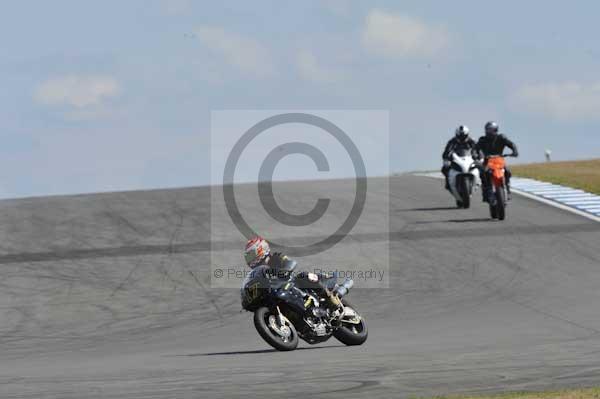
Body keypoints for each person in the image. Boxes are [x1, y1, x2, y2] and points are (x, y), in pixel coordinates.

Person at [242, 236, 341, 314]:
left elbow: (291, 263)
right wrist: (247, 300)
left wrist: (285, 270)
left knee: (304, 275)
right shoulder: (259, 272)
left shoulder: (276, 257)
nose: (250, 260)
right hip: (278, 292)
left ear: (260, 249)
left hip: (292, 283)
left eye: (251, 256)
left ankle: (329, 298)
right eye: (248, 258)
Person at [476, 121, 519, 201]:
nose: (489, 132)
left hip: (499, 160)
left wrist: (514, 151)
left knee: (507, 171)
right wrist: (474, 155)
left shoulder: (501, 138)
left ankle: (508, 189)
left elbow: (511, 144)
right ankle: (486, 191)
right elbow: (475, 148)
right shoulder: (482, 140)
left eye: (491, 130)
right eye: (488, 130)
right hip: (487, 160)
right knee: (483, 173)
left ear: (496, 130)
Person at [441, 125, 481, 190]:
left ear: (467, 135)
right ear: (457, 135)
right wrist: (446, 158)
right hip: (456, 159)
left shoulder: (471, 141)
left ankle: (483, 184)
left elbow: (478, 149)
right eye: (460, 136)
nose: (462, 138)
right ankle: (448, 182)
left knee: (482, 167)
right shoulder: (452, 141)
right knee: (444, 169)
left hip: (469, 159)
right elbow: (446, 151)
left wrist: (479, 157)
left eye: (463, 136)